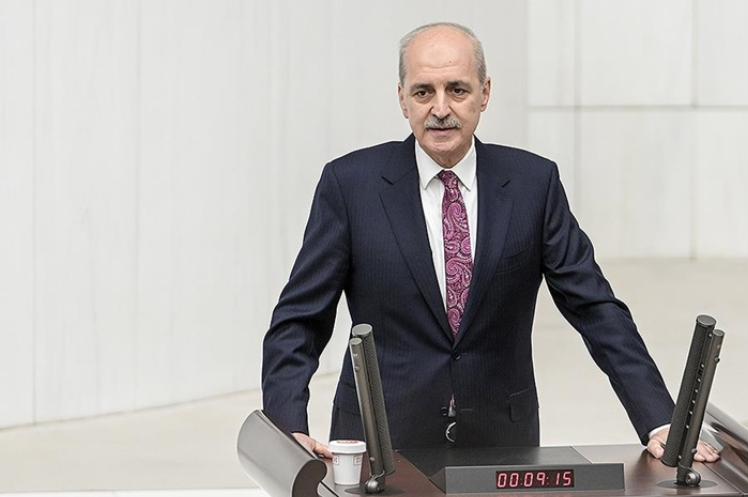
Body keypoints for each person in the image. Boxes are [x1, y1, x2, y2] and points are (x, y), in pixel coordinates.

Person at [262, 21, 719, 463]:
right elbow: (300, 320)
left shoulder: (533, 184)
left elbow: (595, 308)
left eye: (457, 89)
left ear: (484, 93)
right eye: (423, 92)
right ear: (402, 99)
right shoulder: (350, 186)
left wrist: (660, 420)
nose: (440, 108)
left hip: (502, 445)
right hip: (379, 445)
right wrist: (286, 431)